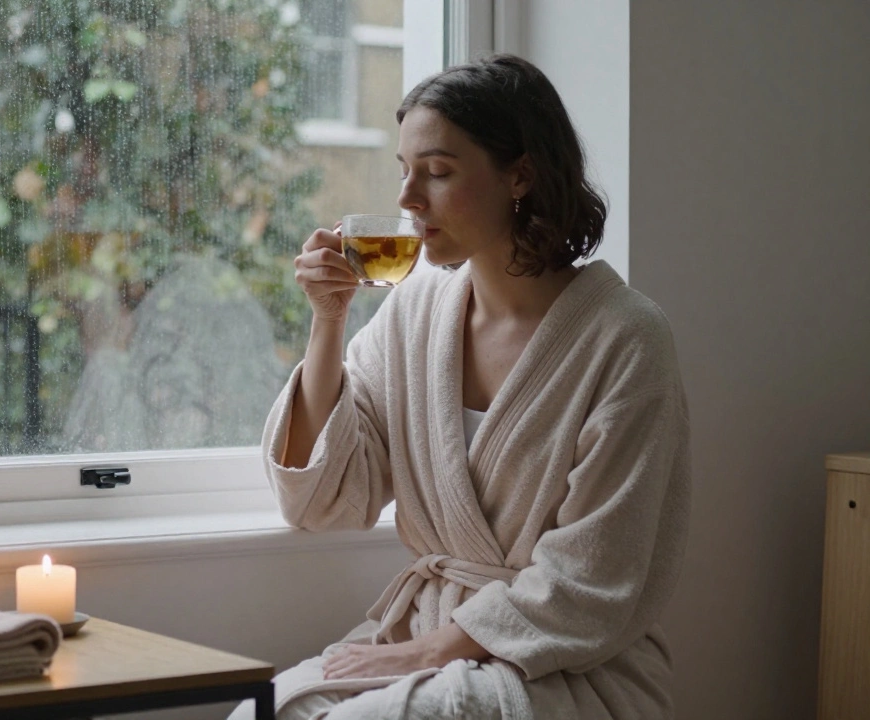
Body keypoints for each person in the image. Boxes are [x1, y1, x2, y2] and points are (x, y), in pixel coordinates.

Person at [228, 54, 691, 720]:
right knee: (261, 714)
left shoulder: (624, 338)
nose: (408, 199)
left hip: (560, 663)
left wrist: (425, 655)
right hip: (430, 634)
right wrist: (327, 323)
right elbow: (323, 501)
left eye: (438, 173)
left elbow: (594, 578)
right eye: (403, 171)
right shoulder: (416, 312)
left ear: (520, 176)